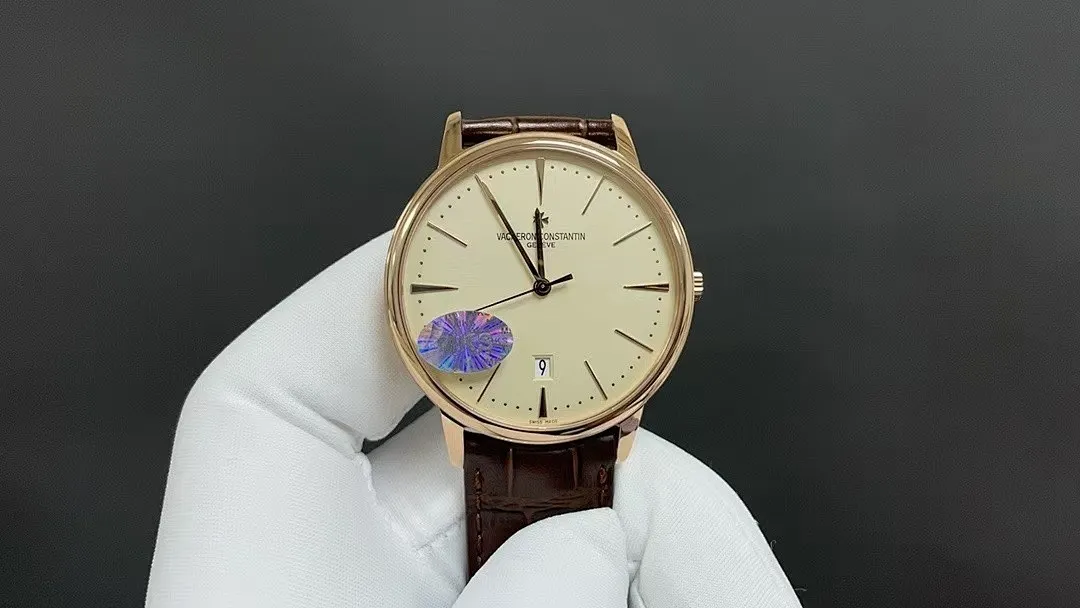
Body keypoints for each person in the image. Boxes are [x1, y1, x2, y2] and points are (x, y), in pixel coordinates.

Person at [145, 233, 803, 607]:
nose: (542, 288)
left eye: (548, 284)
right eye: (537, 283)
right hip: (490, 401)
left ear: (682, 287)